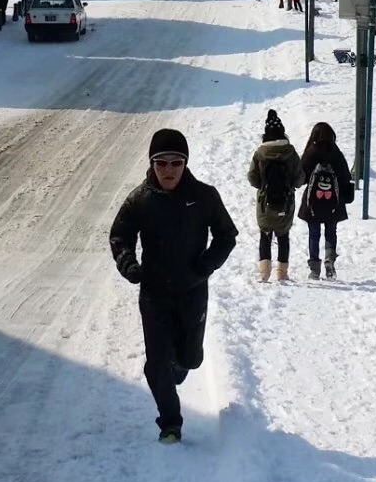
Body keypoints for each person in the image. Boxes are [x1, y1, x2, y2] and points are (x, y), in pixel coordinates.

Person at [110, 128, 237, 442]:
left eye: (175, 163)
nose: (168, 170)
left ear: (185, 164)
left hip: (192, 290)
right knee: (156, 365)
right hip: (154, 293)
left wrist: (205, 266)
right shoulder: (140, 199)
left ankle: (179, 364)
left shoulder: (204, 196)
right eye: (161, 163)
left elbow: (226, 236)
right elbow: (120, 235)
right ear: (152, 164)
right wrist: (128, 262)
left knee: (190, 359)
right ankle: (170, 423)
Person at [247, 109, 305, 283]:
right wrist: (291, 186)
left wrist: (262, 187)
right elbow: (300, 178)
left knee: (265, 234)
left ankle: (264, 273)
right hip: (286, 202)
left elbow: (252, 177)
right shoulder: (290, 152)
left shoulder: (260, 153)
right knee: (283, 235)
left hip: (265, 203)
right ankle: (282, 273)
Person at [298, 120, 354, 280]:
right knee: (331, 232)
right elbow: (345, 177)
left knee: (313, 234)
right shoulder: (336, 152)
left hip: (313, 203)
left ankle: (314, 269)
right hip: (333, 203)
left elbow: (302, 177)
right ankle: (330, 260)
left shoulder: (311, 152)